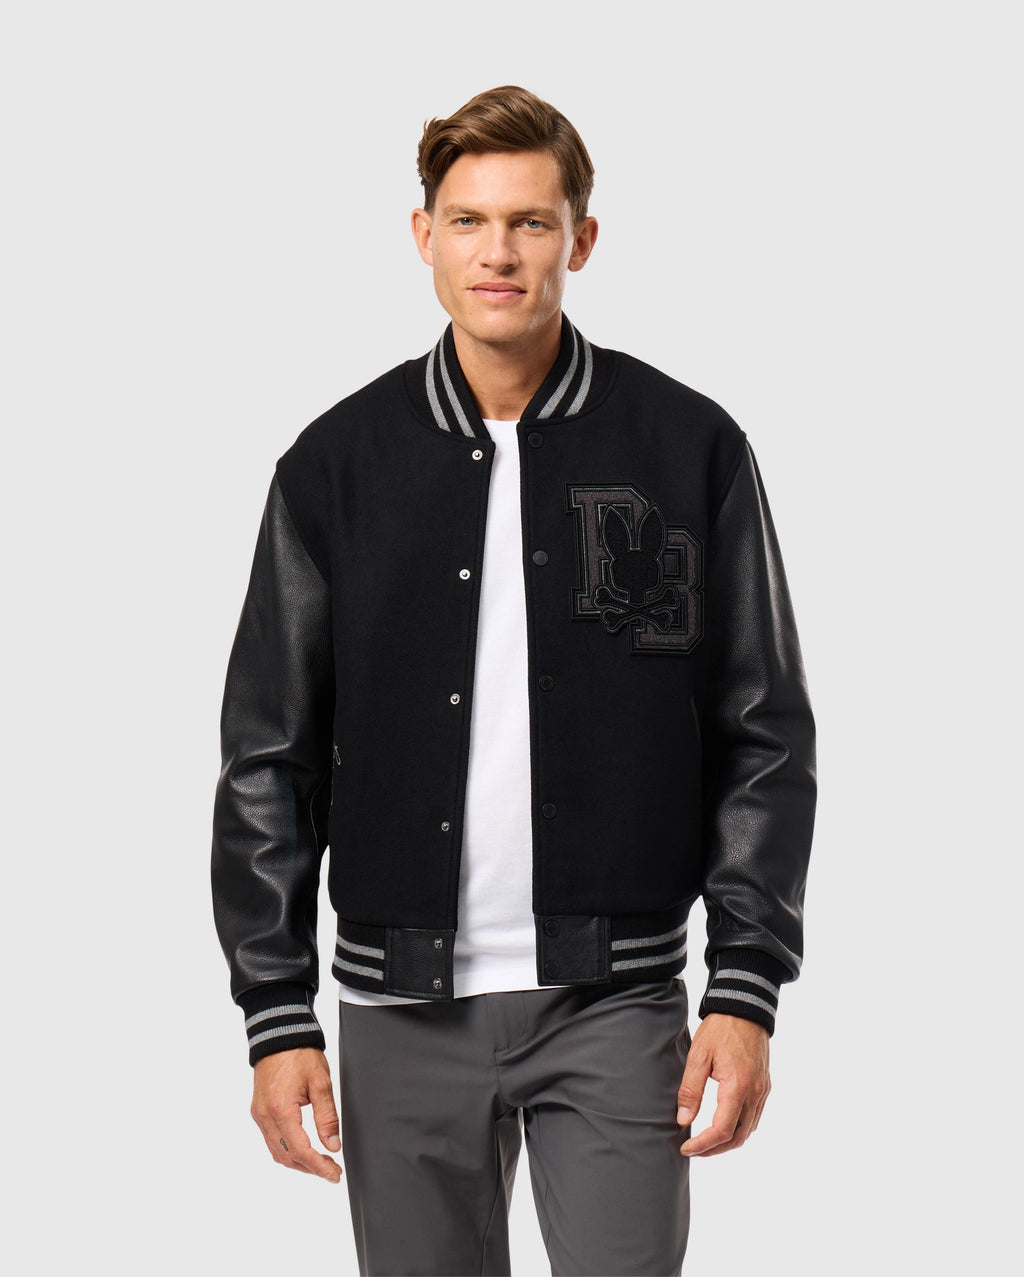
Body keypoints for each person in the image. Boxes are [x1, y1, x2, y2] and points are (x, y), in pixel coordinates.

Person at [211, 84, 816, 1277]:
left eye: (531, 221)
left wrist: (744, 989)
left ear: (579, 240)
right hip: (398, 1010)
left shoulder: (687, 446)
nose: (498, 252)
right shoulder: (335, 466)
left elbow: (763, 731)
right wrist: (275, 1013)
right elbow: (268, 757)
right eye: (470, 220)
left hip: (617, 1003)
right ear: (423, 234)